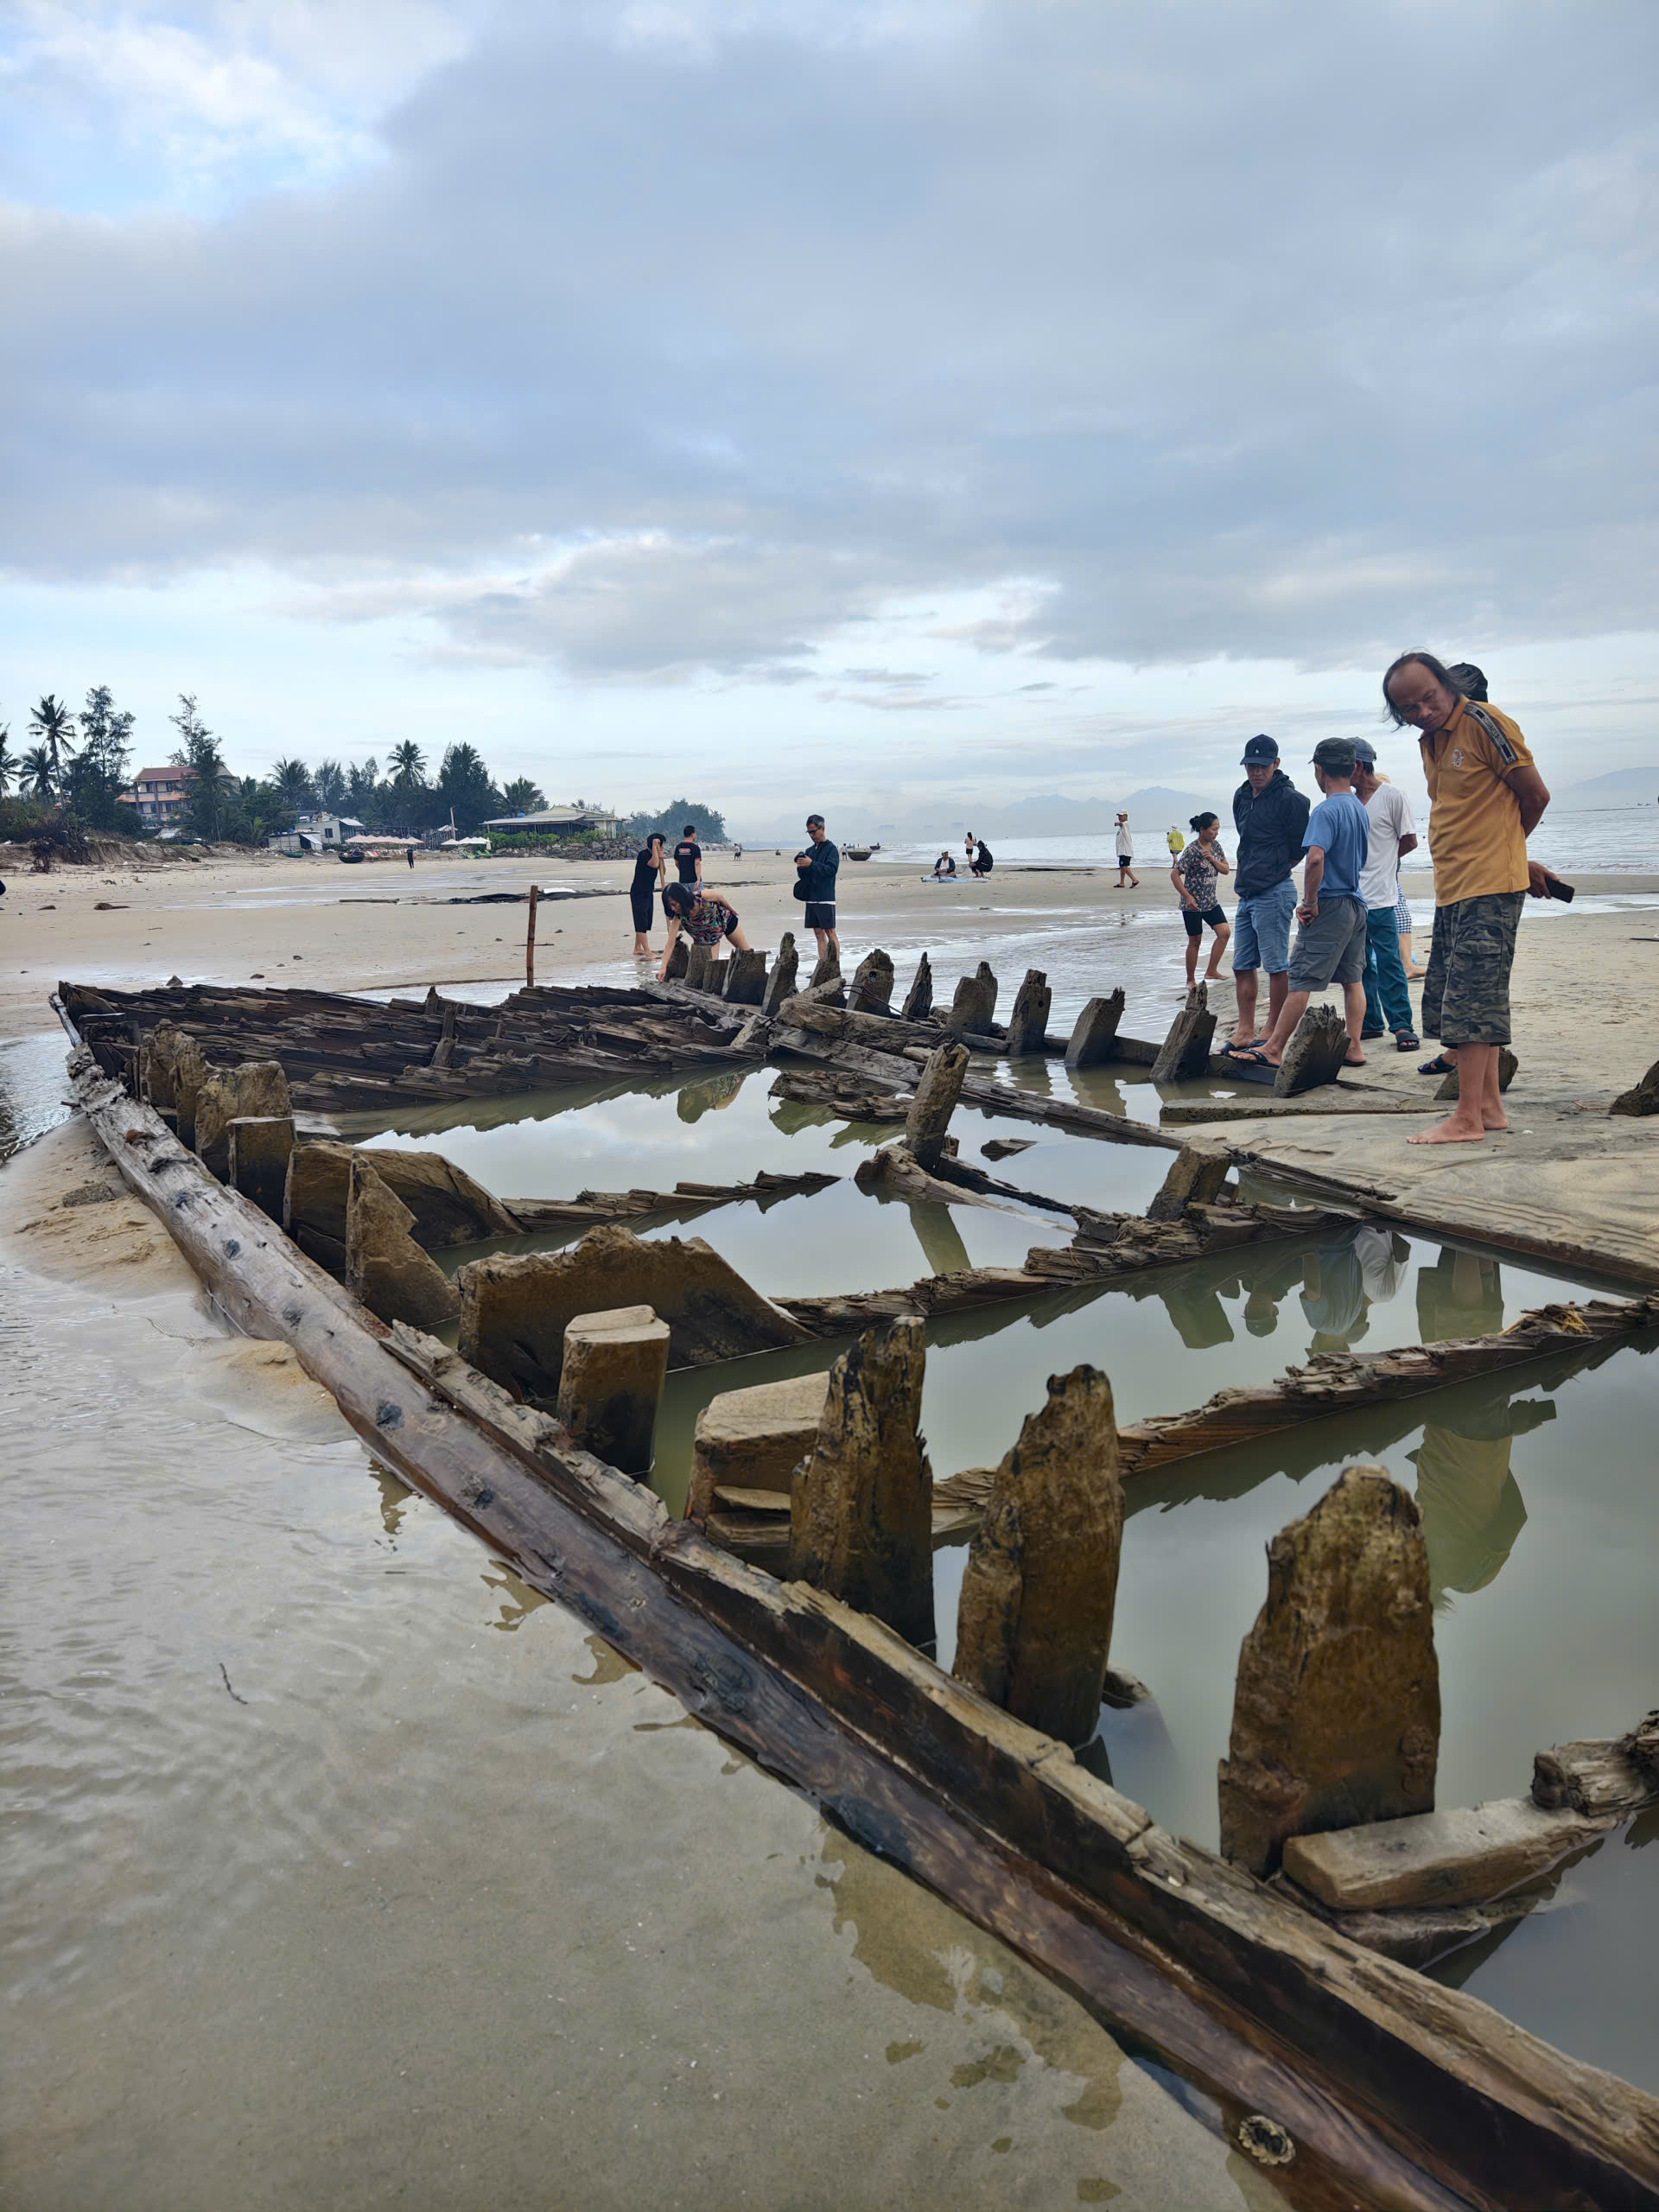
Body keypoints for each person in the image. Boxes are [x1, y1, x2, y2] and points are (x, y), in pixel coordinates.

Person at [1382, 651, 1551, 1145]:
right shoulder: (1431, 740)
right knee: (1462, 999)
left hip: (1490, 884)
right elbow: (1472, 807)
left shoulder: (1484, 722)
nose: (1421, 710)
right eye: (1408, 707)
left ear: (1446, 683)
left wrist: (1512, 855)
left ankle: (1468, 1119)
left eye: (1427, 697)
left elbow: (1534, 795)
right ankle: (1491, 1109)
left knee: (1474, 1003)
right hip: (1455, 886)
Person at [1234, 737, 1370, 1071]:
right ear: (1352, 768)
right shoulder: (1358, 808)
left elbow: (1315, 859)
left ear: (1320, 770)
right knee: (1353, 980)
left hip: (1331, 902)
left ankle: (1274, 1047)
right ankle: (1353, 1046)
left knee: (1300, 979)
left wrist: (1309, 902)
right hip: (1357, 902)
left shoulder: (1326, 810)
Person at [1223, 734, 1311, 1052]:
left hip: (1274, 891)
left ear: (1276, 764)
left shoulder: (1292, 799)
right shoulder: (1242, 795)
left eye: (1262, 766)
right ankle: (1245, 1029)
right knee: (1242, 963)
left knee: (1276, 964)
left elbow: (1300, 845)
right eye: (1250, 766)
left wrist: (1275, 867)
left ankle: (1273, 1027)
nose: (1256, 772)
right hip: (1246, 891)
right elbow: (1246, 837)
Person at [1351, 740, 1420, 1051]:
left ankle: (1402, 1026)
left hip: (1382, 896)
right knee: (1360, 963)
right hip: (1352, 896)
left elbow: (1409, 841)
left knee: (1390, 960)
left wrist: (1386, 866)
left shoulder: (1393, 797)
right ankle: (1371, 1022)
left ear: (1359, 766)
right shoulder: (1348, 802)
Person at [1170, 810, 1231, 987]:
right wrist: (1187, 896)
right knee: (1195, 941)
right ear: (1202, 829)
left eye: (1218, 829)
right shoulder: (1191, 850)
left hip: (1210, 902)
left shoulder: (1216, 846)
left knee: (1225, 933)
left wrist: (1212, 859)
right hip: (1193, 905)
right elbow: (1175, 875)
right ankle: (1190, 980)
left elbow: (1226, 869)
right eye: (1213, 829)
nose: (1216, 833)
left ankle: (1211, 971)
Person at [657, 880, 752, 979]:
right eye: (669, 906)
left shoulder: (702, 896)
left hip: (726, 921)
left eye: (674, 904)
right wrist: (663, 968)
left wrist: (731, 909)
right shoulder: (678, 917)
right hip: (707, 938)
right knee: (711, 970)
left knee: (746, 953)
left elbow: (720, 898)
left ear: (682, 899)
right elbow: (670, 943)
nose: (672, 909)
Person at [795, 812, 840, 963]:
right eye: (809, 832)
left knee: (830, 931)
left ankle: (835, 965)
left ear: (823, 828)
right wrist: (801, 866)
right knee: (818, 933)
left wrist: (811, 864)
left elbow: (831, 870)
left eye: (814, 831)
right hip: (811, 896)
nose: (812, 835)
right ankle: (822, 965)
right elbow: (803, 877)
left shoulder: (831, 849)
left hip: (826, 897)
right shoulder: (809, 851)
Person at [629, 831, 666, 956]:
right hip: (638, 892)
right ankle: (647, 951)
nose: (663, 847)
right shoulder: (643, 855)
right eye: (662, 845)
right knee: (641, 921)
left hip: (648, 892)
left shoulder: (656, 856)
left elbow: (662, 871)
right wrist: (656, 848)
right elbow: (654, 864)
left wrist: (661, 857)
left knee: (646, 920)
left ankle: (637, 948)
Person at [671, 823, 702, 890]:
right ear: (692, 834)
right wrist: (698, 879)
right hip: (694, 880)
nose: (695, 836)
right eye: (695, 834)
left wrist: (683, 870)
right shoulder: (695, 848)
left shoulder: (678, 847)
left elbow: (676, 863)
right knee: (698, 900)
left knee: (685, 900)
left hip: (683, 880)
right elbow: (697, 864)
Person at [1113, 812, 1139, 888]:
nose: (1120, 817)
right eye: (1119, 816)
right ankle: (1122, 883)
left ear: (1126, 816)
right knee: (1122, 866)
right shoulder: (1122, 828)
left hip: (1125, 851)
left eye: (1121, 816)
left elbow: (1122, 824)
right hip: (1122, 851)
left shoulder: (1126, 824)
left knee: (1124, 866)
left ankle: (1134, 880)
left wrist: (1118, 823)